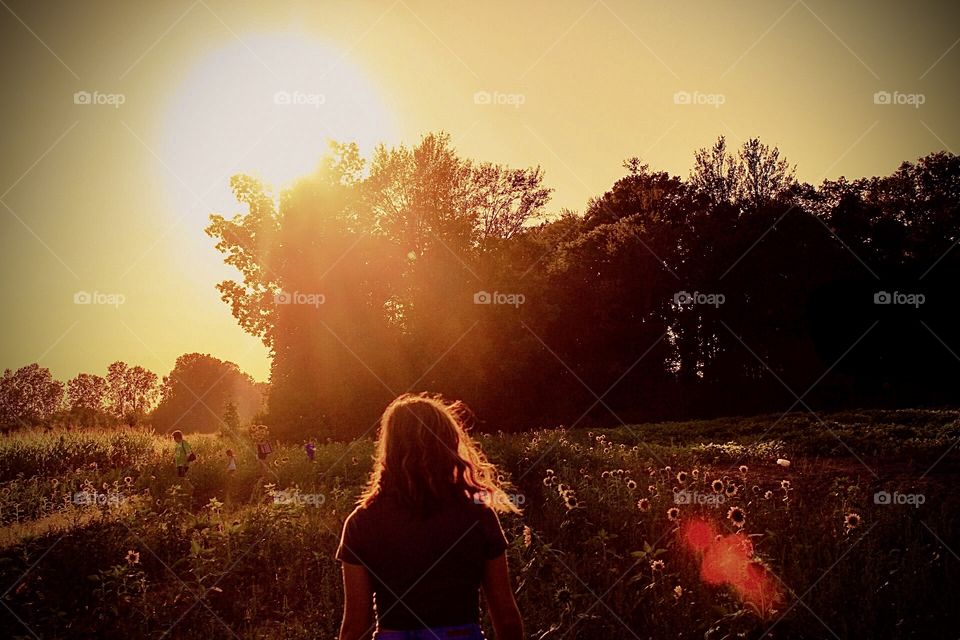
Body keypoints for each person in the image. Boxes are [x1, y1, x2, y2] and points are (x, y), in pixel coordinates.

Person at [337, 393, 524, 640]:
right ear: (448, 443)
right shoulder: (478, 516)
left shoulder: (361, 523)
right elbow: (506, 617)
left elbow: (354, 627)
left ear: (389, 448)